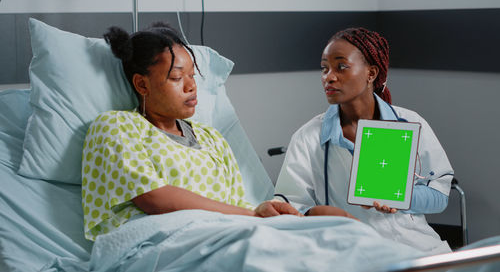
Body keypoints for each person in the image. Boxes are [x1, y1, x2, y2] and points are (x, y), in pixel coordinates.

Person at [81, 22, 302, 241]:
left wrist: (264, 210)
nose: (191, 87)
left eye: (193, 76)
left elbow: (234, 204)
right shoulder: (117, 127)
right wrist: (252, 215)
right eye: (177, 78)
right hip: (154, 243)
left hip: (225, 233)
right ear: (142, 85)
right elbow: (154, 198)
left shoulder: (212, 138)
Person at [274, 27, 454, 254]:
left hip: (416, 248)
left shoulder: (408, 123)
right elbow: (289, 206)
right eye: (324, 68)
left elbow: (439, 195)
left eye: (341, 66)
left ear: (371, 73)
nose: (328, 77)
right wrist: (318, 215)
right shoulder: (308, 137)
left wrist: (399, 197)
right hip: (347, 252)